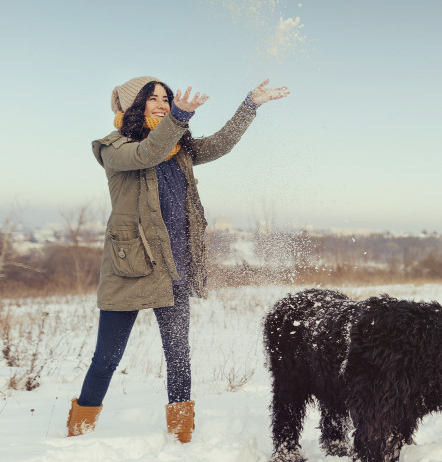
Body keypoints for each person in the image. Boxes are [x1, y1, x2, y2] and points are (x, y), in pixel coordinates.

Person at [66, 76, 290, 442]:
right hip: (131, 268)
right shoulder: (114, 148)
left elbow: (220, 144)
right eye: (152, 98)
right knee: (107, 356)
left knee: (178, 354)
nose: (162, 103)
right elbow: (148, 153)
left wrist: (250, 105)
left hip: (175, 266)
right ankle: (79, 430)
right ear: (130, 105)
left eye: (166, 99)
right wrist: (180, 118)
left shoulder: (179, 148)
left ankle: (181, 434)